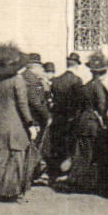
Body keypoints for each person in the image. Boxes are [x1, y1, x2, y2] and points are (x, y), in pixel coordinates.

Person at [0, 44, 39, 201]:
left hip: (0, 123)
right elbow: (22, 105)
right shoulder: (18, 80)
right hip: (16, 125)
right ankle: (12, 192)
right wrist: (30, 124)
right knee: (16, 158)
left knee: (1, 157)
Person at [61, 50, 108, 193]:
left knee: (82, 153)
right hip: (93, 123)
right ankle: (85, 182)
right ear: (102, 72)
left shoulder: (86, 86)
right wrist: (105, 120)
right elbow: (102, 107)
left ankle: (76, 179)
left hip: (82, 122)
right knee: (91, 153)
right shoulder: (98, 87)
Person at [45, 52, 85, 185]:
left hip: (57, 119)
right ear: (76, 66)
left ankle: (54, 174)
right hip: (71, 120)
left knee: (57, 146)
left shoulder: (56, 80)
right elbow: (79, 103)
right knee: (69, 147)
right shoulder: (77, 81)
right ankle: (65, 174)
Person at [21, 53, 52, 183]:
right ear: (35, 66)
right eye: (40, 67)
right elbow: (36, 102)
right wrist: (48, 116)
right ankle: (28, 177)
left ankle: (29, 175)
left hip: (27, 119)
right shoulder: (32, 80)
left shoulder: (23, 77)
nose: (42, 70)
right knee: (33, 149)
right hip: (34, 120)